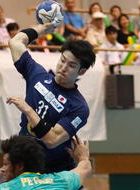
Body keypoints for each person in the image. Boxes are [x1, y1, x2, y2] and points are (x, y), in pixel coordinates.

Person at [8, 21, 96, 173]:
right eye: (62, 60)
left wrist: (28, 110)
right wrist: (43, 29)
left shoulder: (79, 107)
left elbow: (52, 139)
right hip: (24, 165)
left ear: (81, 72)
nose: (63, 67)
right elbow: (15, 42)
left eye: (72, 65)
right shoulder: (38, 75)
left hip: (57, 172)